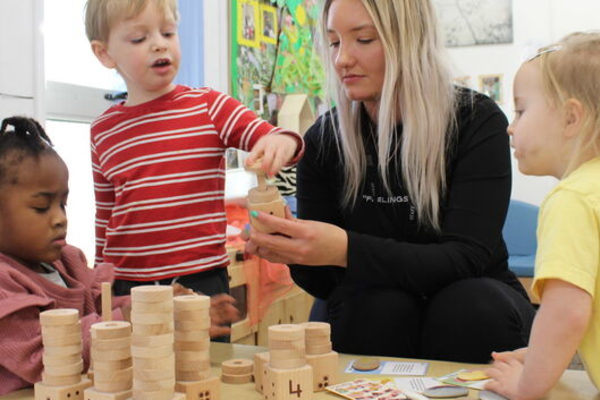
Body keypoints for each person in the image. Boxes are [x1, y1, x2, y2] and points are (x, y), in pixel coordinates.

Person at [243, 0, 535, 362]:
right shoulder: (324, 139)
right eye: (334, 42)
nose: (342, 59)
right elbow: (324, 284)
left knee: (468, 306)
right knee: (372, 306)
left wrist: (345, 249)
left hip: (474, 302)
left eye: (363, 39)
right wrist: (295, 251)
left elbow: (466, 258)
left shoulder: (476, 122)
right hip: (373, 311)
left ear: (409, 40)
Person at [84, 0, 303, 312]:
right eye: (139, 38)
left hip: (202, 279)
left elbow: (267, 133)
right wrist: (99, 282)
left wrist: (281, 140)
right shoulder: (102, 131)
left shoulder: (208, 106)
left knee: (207, 360)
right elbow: (104, 215)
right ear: (104, 53)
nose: (159, 45)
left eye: (168, 33)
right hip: (130, 286)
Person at [484, 33, 600, 399]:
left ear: (570, 117)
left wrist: (528, 383)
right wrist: (539, 355)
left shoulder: (571, 200)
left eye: (520, 110)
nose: (510, 126)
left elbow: (567, 313)